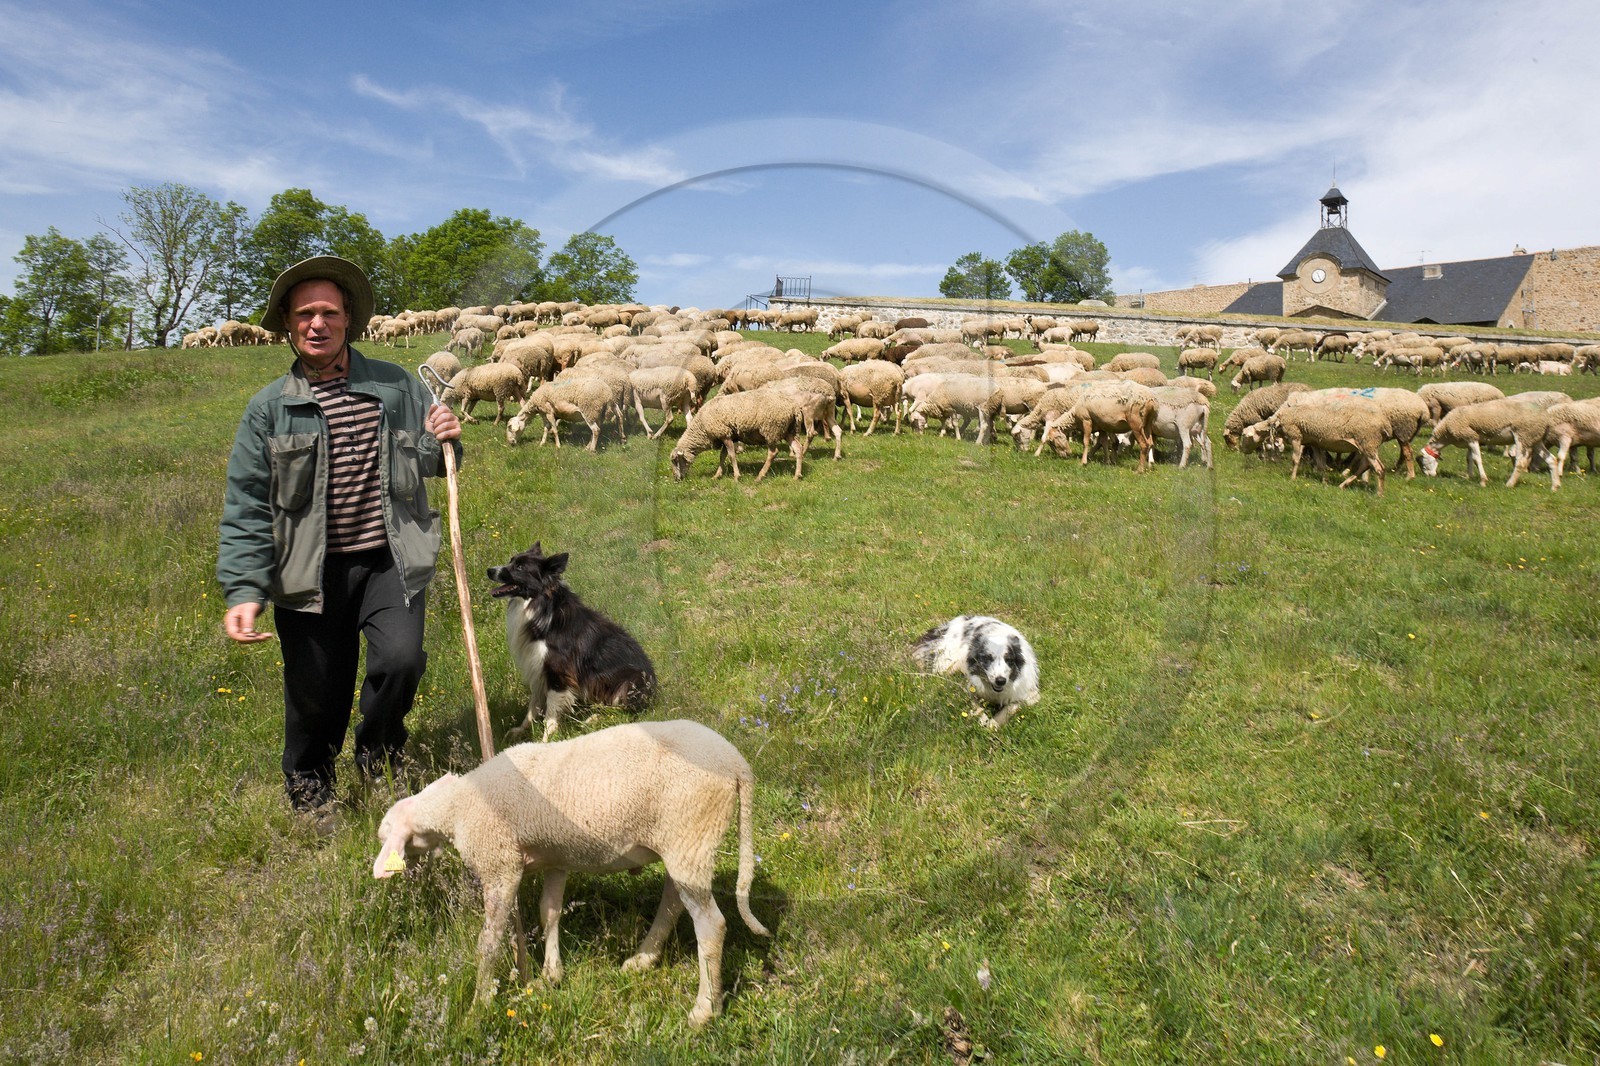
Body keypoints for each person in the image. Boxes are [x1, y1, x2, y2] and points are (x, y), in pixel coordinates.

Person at [216, 256, 462, 833]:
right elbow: (248, 504)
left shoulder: (395, 384)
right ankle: (311, 790)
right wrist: (245, 588)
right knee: (314, 695)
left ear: (348, 318)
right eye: (304, 314)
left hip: (388, 560)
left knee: (401, 663)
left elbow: (430, 461)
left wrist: (447, 438)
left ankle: (378, 753)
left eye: (328, 312)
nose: (316, 324)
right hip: (309, 572)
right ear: (288, 324)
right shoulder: (269, 408)